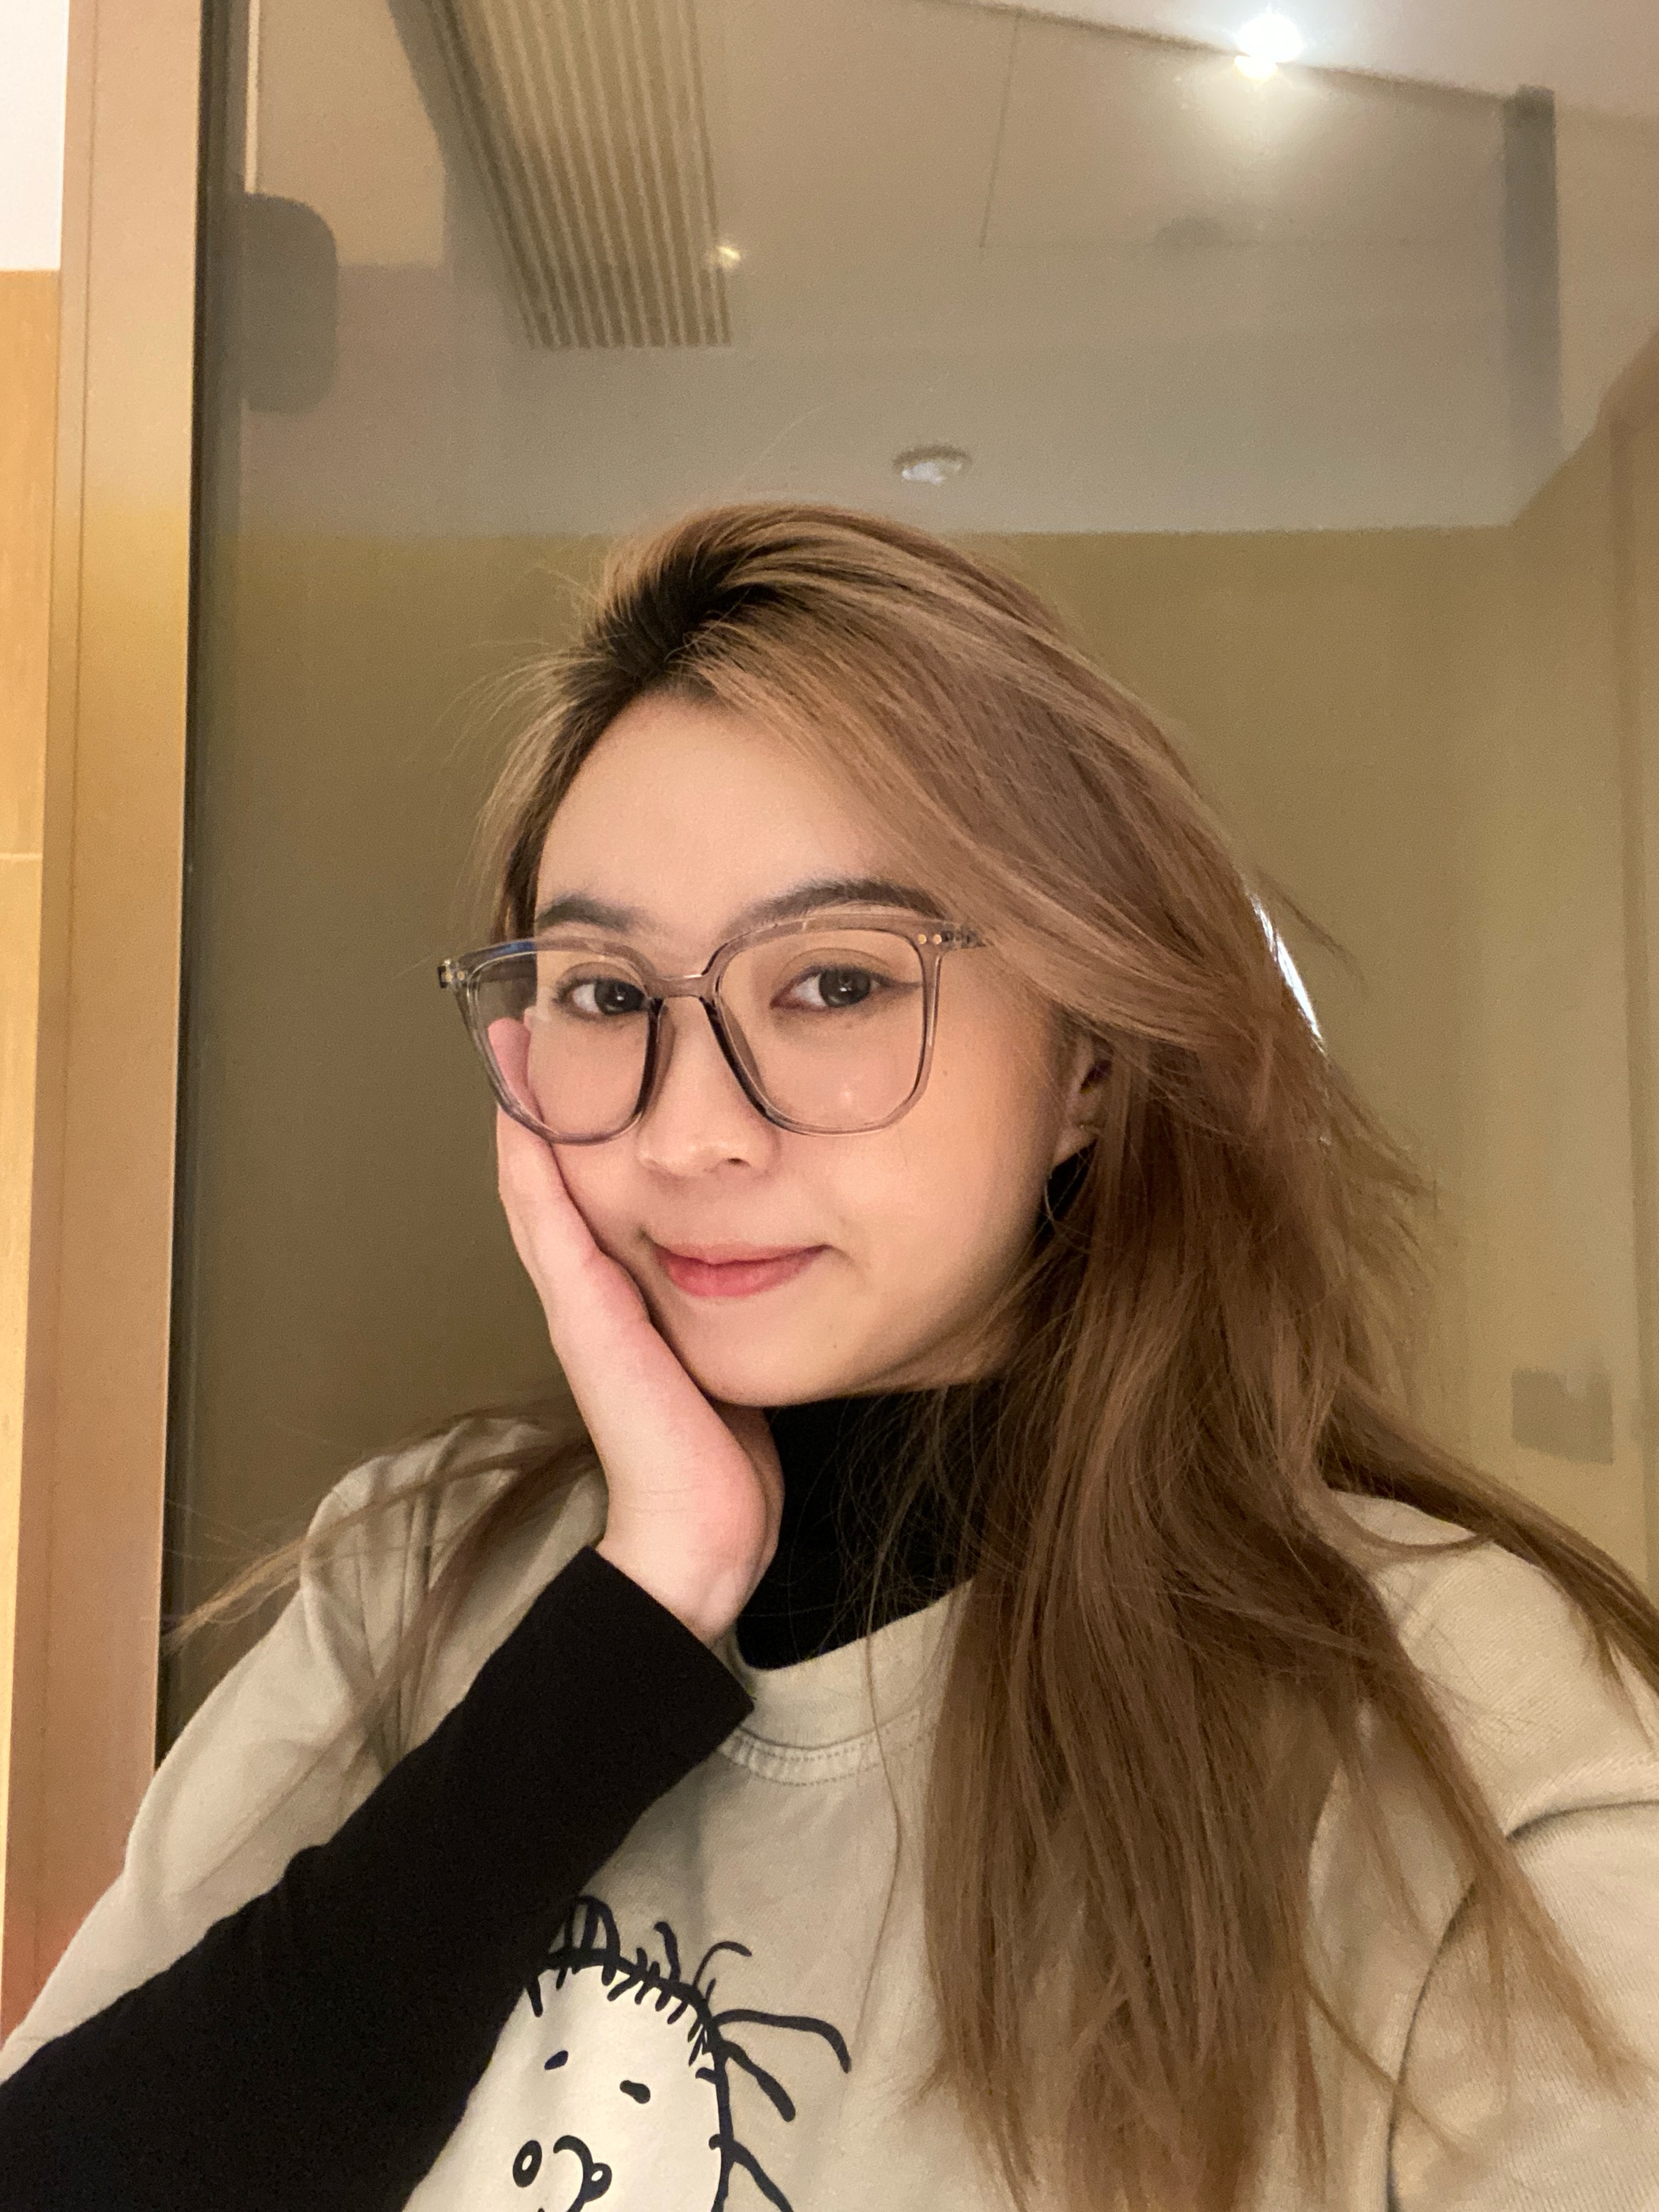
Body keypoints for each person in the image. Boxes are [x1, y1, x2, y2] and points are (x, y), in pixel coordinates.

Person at [2, 504, 1658, 2212]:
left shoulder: (1456, 1723)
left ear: (1089, 1059)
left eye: (839, 982)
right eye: (603, 992)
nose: (692, 1129)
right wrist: (641, 1603)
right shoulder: (418, 1570)